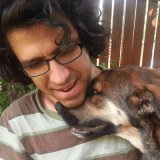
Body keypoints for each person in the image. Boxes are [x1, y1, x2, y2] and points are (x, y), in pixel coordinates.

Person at [0, 0, 142, 159]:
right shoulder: (15, 125)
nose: (60, 78)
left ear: (85, 38)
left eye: (66, 49)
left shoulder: (134, 95)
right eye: (35, 64)